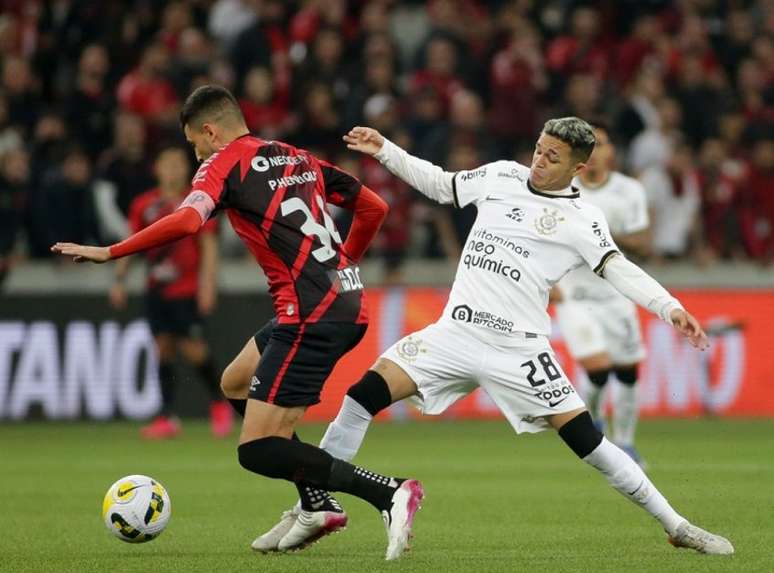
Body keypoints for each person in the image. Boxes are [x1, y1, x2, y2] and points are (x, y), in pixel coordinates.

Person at [255, 118, 734, 556]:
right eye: (539, 149)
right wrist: (385, 150)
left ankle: (677, 525)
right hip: (453, 333)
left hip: (518, 349)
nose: (539, 161)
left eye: (553, 157)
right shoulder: (501, 176)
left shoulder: (582, 220)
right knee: (361, 397)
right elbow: (441, 185)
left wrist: (669, 307)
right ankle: (314, 506)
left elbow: (619, 269)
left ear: (578, 168)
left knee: (587, 441)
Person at [51, 85, 423, 561]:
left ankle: (388, 492)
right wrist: (344, 263)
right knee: (234, 381)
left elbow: (187, 221)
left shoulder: (225, 163)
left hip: (311, 313)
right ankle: (315, 505)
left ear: (209, 130)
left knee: (258, 450)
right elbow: (375, 207)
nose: (195, 153)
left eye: (193, 143)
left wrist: (111, 251)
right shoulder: (296, 156)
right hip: (334, 301)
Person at [109, 145, 232, 439]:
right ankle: (167, 417)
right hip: (156, 290)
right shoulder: (143, 205)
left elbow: (209, 248)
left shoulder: (199, 201)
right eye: (168, 164)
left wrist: (207, 286)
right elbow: (133, 243)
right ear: (158, 169)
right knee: (162, 348)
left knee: (193, 350)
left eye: (179, 164)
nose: (174, 169)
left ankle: (219, 403)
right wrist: (119, 280)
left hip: (186, 290)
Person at [550, 124, 650, 465]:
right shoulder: (562, 188)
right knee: (598, 368)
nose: (594, 152)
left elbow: (643, 241)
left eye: (601, 144)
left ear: (611, 152)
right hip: (574, 294)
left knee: (627, 371)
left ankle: (626, 442)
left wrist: (603, 239)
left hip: (615, 294)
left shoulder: (629, 191)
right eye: (587, 146)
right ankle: (595, 426)